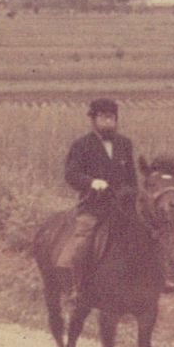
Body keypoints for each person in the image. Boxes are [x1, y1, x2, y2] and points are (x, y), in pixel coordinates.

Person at [54, 98, 140, 277]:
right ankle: (74, 285)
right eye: (103, 118)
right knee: (82, 241)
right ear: (94, 120)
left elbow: (132, 178)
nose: (108, 122)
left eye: (111, 118)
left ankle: (159, 278)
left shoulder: (125, 144)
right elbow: (71, 174)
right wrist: (92, 182)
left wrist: (130, 193)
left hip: (123, 207)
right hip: (94, 205)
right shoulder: (81, 145)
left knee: (149, 234)